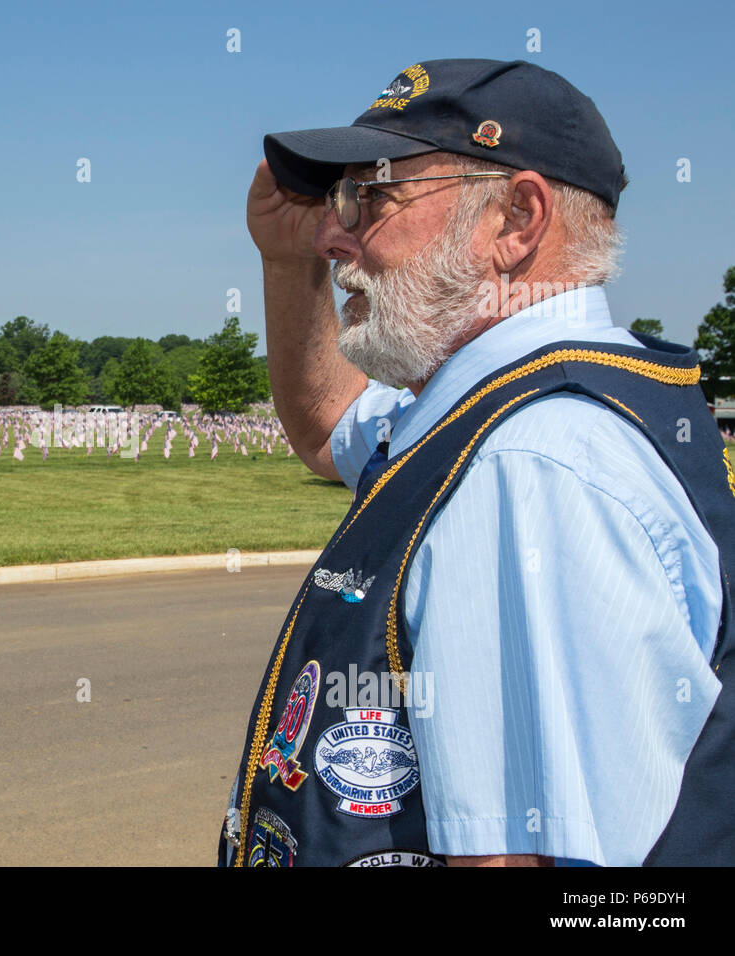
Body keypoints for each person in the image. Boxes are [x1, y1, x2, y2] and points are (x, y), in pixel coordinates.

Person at [222, 58, 734, 867]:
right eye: (336, 199)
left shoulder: (527, 463)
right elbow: (328, 425)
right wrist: (288, 264)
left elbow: (512, 861)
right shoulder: (504, 404)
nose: (332, 232)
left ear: (516, 220)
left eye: (373, 194)